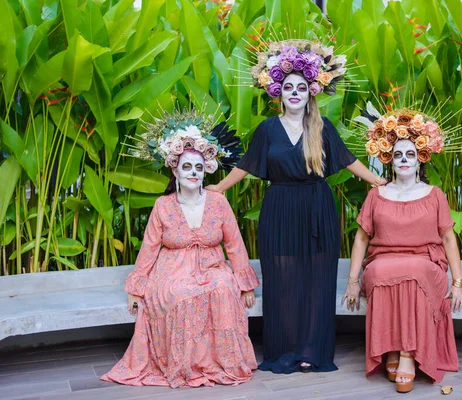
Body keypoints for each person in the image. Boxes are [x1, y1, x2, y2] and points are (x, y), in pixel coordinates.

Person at [206, 39, 386, 374]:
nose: (294, 93)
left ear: (310, 92)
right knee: (283, 280)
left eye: (300, 87)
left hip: (317, 209)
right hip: (279, 209)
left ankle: (312, 351)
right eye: (288, 87)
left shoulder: (322, 127)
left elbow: (347, 161)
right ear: (278, 91)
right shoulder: (267, 130)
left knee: (316, 279)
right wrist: (218, 186)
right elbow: (246, 165)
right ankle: (283, 351)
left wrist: (377, 182)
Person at [101, 109, 259, 388]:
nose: (193, 173)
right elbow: (149, 249)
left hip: (212, 265)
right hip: (173, 269)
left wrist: (245, 283)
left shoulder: (218, 202)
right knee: (181, 294)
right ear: (175, 170)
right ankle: (184, 365)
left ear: (205, 170)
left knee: (223, 289)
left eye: (198, 168)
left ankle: (221, 362)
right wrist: (136, 288)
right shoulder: (163, 206)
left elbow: (234, 244)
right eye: (187, 167)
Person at [343, 105, 462, 393]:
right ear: (390, 159)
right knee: (383, 271)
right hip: (382, 262)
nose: (403, 160)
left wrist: (459, 283)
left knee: (413, 272)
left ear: (420, 159)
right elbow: (361, 239)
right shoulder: (376, 194)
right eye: (398, 154)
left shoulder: (434, 195)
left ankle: (406, 356)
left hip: (426, 264)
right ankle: (389, 348)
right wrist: (352, 282)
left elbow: (449, 240)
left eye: (410, 154)